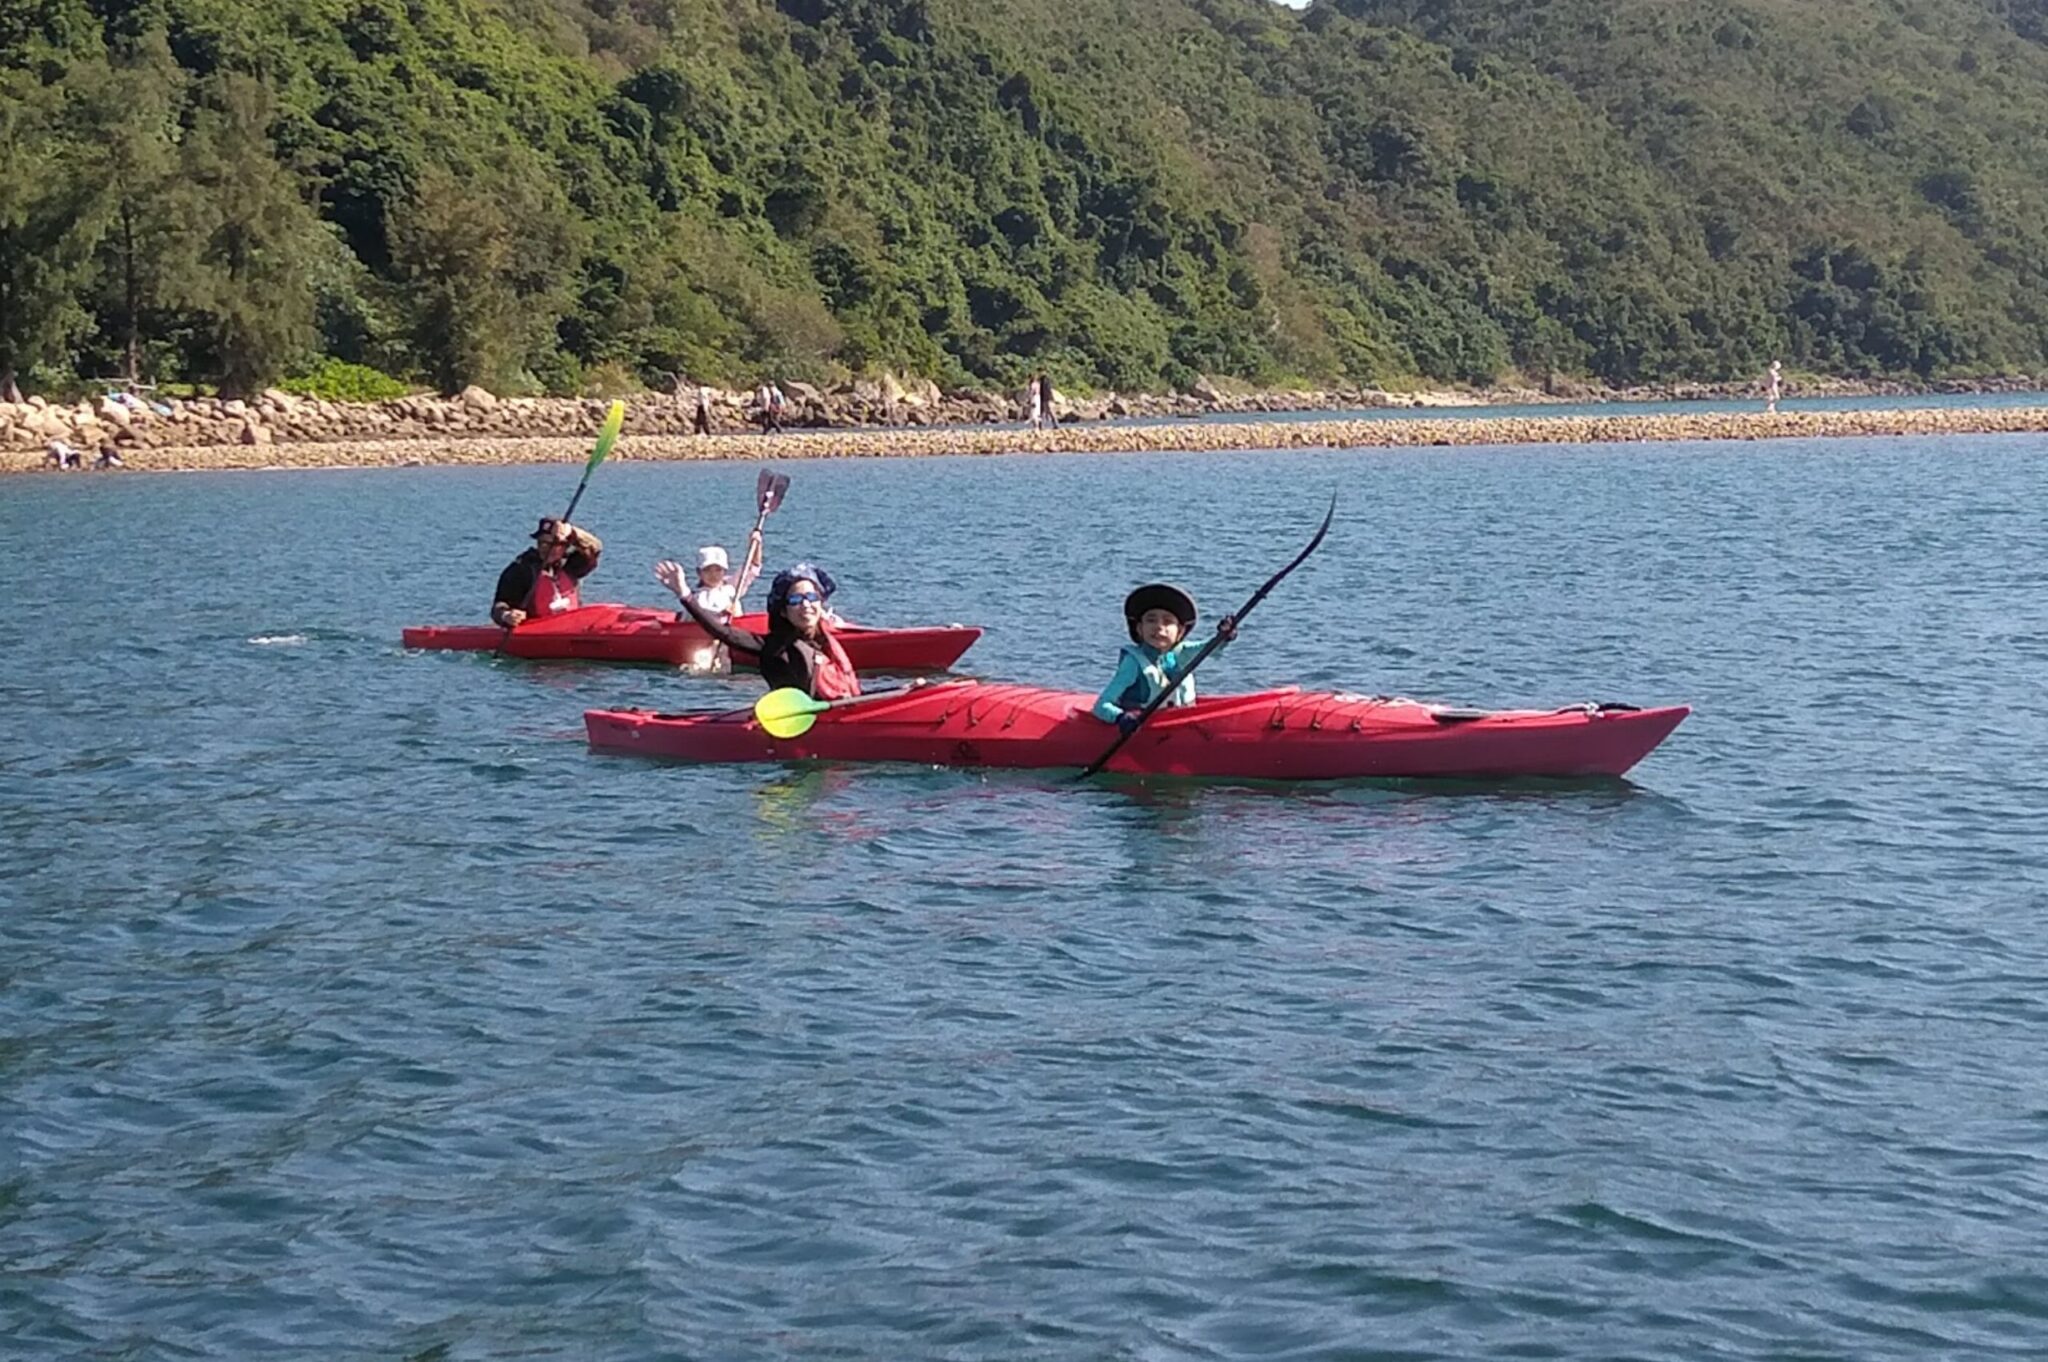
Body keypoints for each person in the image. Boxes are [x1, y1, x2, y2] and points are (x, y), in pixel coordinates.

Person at [675, 561, 859, 699]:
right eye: (795, 600)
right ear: (784, 612)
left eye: (812, 597)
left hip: (835, 715)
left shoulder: (825, 642)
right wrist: (686, 596)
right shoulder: (773, 647)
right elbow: (723, 633)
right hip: (792, 725)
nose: (806, 605)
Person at [1091, 583, 1238, 734]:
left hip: (1182, 724)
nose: (1159, 627)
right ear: (1139, 629)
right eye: (1151, 620)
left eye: (1168, 621)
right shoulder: (1133, 663)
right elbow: (1101, 706)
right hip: (1146, 730)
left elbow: (1211, 647)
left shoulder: (1182, 653)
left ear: (1180, 632)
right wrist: (1121, 718)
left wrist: (1224, 635)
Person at [654, 532, 765, 671]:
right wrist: (723, 613)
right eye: (708, 570)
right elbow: (704, 616)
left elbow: (753, 566)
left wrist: (756, 544)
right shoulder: (698, 597)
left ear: (724, 571)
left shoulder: (732, 587)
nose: (713, 575)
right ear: (699, 573)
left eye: (718, 570)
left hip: (733, 636)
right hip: (705, 640)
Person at [491, 517, 602, 627]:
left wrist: (572, 532)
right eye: (542, 542)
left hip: (572, 629)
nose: (546, 548)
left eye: (555, 544)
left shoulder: (571, 565)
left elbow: (595, 548)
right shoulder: (520, 570)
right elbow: (499, 606)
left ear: (566, 546)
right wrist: (506, 616)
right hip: (537, 632)